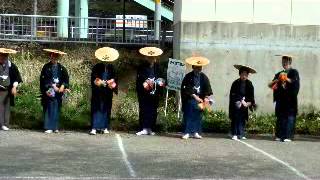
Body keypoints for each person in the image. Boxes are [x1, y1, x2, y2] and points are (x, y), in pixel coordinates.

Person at [268, 55, 300, 142]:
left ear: (290, 62)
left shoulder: (294, 72)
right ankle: (279, 135)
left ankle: (288, 136)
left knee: (290, 118)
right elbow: (270, 85)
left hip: (290, 100)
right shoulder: (279, 73)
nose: (284, 63)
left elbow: (294, 82)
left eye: (286, 62)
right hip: (280, 100)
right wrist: (277, 80)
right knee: (280, 118)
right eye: (283, 62)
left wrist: (286, 78)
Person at [181, 56, 213, 139]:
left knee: (198, 115)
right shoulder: (188, 76)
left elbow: (207, 88)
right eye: (197, 67)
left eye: (200, 67)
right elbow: (186, 88)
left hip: (201, 100)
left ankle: (196, 132)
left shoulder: (204, 77)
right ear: (193, 67)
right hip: (190, 99)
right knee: (189, 114)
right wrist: (195, 97)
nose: (199, 69)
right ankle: (187, 132)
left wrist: (206, 97)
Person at [136, 47, 165, 136]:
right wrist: (145, 81)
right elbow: (140, 78)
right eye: (149, 57)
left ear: (155, 58)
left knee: (153, 110)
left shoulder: (159, 67)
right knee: (144, 109)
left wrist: (159, 82)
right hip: (144, 92)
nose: (151, 59)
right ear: (146, 57)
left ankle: (150, 128)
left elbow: (162, 78)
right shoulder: (141, 67)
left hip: (155, 92)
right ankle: (143, 128)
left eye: (153, 57)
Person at [90, 47, 118, 135]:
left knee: (106, 108)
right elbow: (94, 78)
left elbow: (115, 78)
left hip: (107, 92)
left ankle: (105, 127)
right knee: (96, 108)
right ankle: (94, 127)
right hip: (98, 91)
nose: (106, 60)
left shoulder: (112, 67)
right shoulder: (97, 67)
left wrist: (111, 81)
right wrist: (100, 82)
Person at [40, 49, 69, 134]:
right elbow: (43, 79)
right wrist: (52, 86)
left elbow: (66, 79)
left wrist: (63, 86)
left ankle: (55, 126)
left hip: (59, 90)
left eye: (55, 56)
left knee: (57, 107)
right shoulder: (46, 67)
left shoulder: (61, 68)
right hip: (49, 89)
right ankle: (49, 127)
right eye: (52, 56)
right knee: (49, 106)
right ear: (50, 57)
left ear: (58, 57)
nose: (53, 58)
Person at [229, 65, 257, 140]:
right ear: (240, 74)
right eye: (242, 74)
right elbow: (233, 94)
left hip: (245, 103)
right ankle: (234, 133)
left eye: (246, 74)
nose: (244, 76)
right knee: (236, 117)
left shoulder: (249, 83)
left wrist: (249, 103)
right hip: (236, 103)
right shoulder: (235, 83)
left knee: (242, 118)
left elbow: (251, 95)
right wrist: (241, 100)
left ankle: (241, 134)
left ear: (248, 75)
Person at [0, 48, 22, 131]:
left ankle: (5, 124)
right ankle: (1, 124)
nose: (2, 58)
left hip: (7, 89)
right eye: (1, 56)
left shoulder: (12, 66)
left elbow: (17, 78)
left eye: (4, 56)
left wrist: (14, 87)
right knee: (0, 106)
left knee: (6, 107)